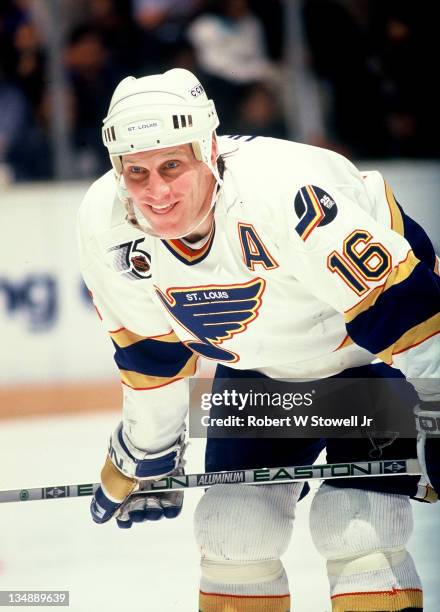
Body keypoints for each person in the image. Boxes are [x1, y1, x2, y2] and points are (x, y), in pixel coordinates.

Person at [77, 68, 439, 612]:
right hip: (257, 374)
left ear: (208, 148)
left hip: (366, 358)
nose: (156, 192)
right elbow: (152, 358)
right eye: (137, 173)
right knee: (234, 531)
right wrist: (146, 454)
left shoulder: (283, 191)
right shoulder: (107, 224)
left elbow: (409, 313)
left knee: (359, 530)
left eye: (172, 165)